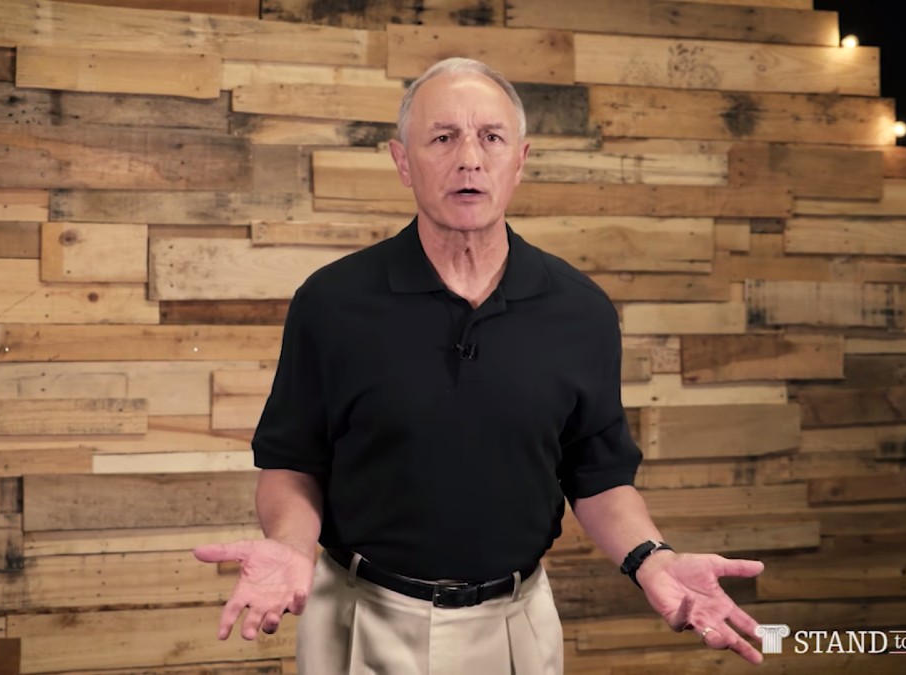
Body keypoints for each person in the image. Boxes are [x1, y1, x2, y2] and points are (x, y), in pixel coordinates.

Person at [194, 57, 766, 673]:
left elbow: (597, 474)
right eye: (443, 138)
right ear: (402, 161)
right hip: (360, 619)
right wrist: (289, 545)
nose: (469, 158)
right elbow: (292, 463)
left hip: (516, 625)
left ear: (519, 160)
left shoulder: (582, 310)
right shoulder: (331, 302)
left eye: (491, 137)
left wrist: (653, 558)